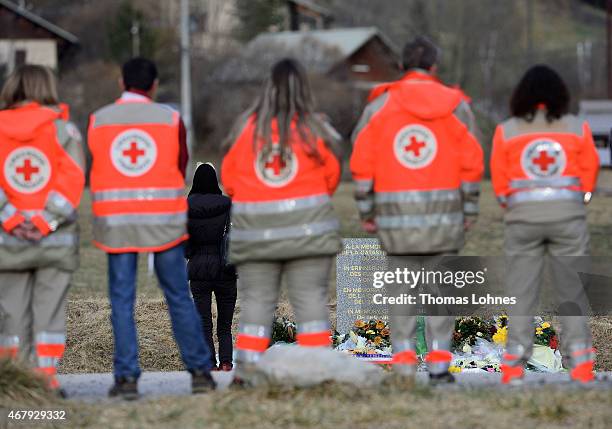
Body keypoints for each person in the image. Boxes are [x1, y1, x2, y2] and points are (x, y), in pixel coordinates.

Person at [350, 36, 484, 383]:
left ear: (401, 66)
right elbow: (472, 163)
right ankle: (439, 367)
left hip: (395, 225)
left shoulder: (379, 108)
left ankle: (406, 367)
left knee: (401, 295)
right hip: (445, 221)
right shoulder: (456, 106)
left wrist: (367, 212)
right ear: (435, 67)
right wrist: (469, 210)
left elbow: (361, 162)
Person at [87, 57, 214, 399]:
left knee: (121, 300)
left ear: (120, 82)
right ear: (155, 85)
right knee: (178, 297)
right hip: (163, 221)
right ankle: (201, 371)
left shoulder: (98, 120)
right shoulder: (171, 119)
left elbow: (99, 164)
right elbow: (181, 165)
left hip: (118, 222)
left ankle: (126, 379)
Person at [221, 58, 342, 383]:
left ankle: (245, 374)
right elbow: (331, 177)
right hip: (309, 236)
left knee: (256, 306)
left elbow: (230, 181)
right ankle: (319, 373)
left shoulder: (247, 129)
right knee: (311, 304)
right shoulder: (315, 129)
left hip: (257, 239)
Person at [490, 65, 599, 385]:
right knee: (572, 293)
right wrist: (582, 201)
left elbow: (499, 179)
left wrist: (510, 205)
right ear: (559, 94)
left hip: (522, 222)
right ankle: (579, 366)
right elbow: (589, 171)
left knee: (521, 293)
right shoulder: (577, 128)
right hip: (568, 220)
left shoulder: (506, 130)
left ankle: (513, 366)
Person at [0, 65, 85, 395]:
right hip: (54, 241)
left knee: (10, 314)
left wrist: (11, 218)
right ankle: (45, 381)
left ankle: (12, 382)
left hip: (7, 241)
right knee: (49, 313)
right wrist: (43, 221)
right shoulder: (63, 129)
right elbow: (73, 179)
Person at [187, 162, 237, 372]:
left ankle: (209, 362)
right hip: (226, 269)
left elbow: (184, 244)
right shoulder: (228, 204)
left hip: (199, 271)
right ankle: (226, 361)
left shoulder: (186, 206)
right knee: (224, 324)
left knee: (203, 322)